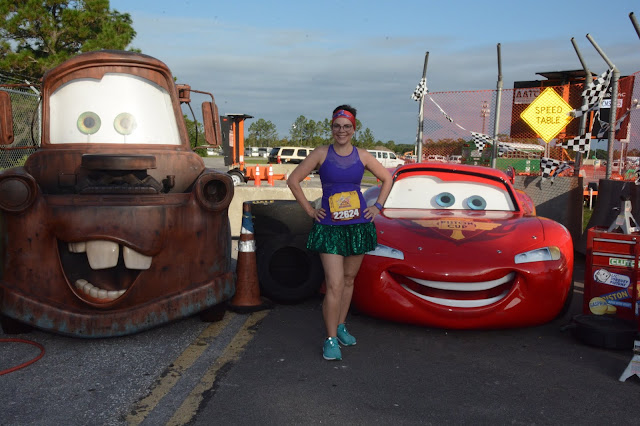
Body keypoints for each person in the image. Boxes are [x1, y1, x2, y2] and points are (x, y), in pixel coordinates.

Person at [287, 105, 392, 361]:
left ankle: (341, 326)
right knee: (334, 284)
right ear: (332, 128)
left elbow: (388, 179)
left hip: (357, 227)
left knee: (348, 280)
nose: (341, 130)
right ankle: (331, 338)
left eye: (346, 126)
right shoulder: (321, 153)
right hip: (330, 228)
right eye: (337, 126)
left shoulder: (363, 156)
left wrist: (377, 206)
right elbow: (293, 180)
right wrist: (310, 211)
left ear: (354, 129)